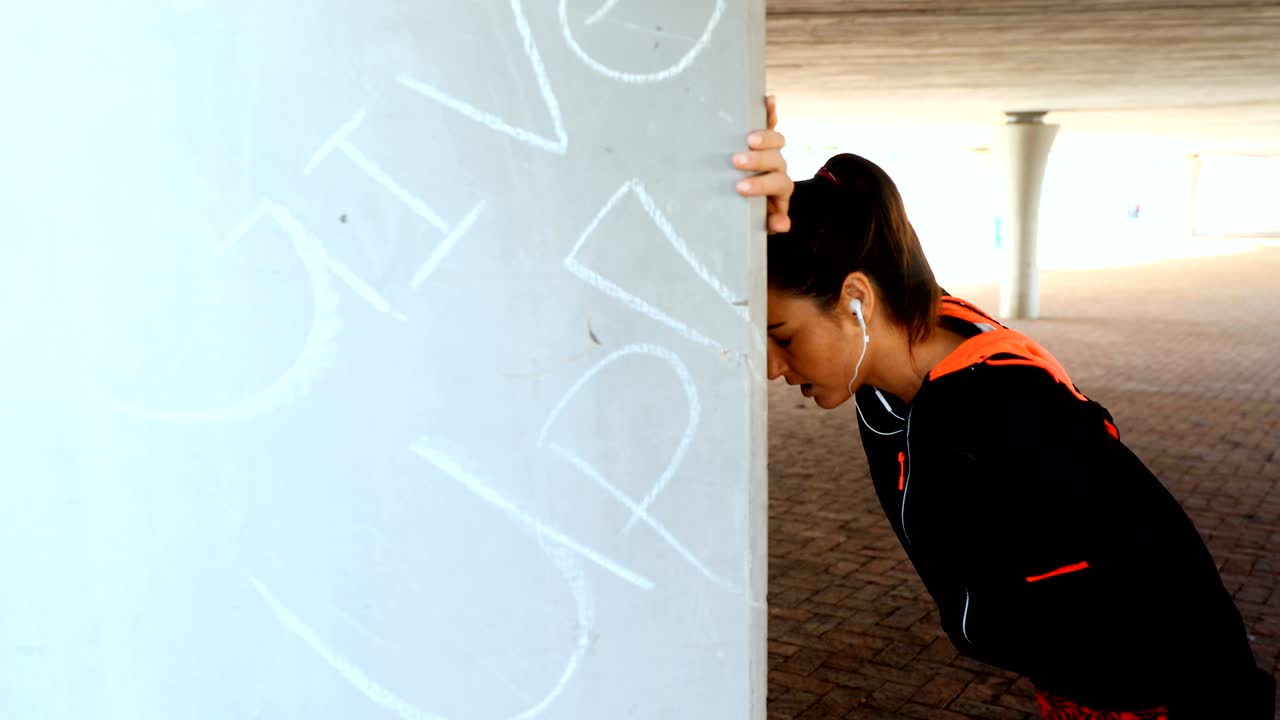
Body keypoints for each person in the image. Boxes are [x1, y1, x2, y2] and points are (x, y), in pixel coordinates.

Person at [734, 99, 1276, 719]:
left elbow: (1151, 564)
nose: (773, 366)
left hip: (1164, 699)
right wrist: (746, 198)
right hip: (1089, 687)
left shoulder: (1006, 415)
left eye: (782, 334)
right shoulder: (923, 340)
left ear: (857, 298)